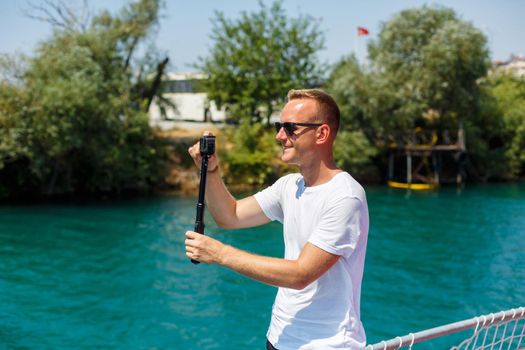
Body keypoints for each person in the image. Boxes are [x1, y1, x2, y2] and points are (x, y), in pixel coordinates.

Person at [185, 89, 369, 350]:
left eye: (291, 128)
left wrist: (220, 254)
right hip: (280, 338)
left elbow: (301, 274)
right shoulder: (289, 186)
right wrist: (212, 171)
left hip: (327, 344)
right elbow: (231, 215)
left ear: (322, 134)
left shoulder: (345, 197)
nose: (279, 136)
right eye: (279, 126)